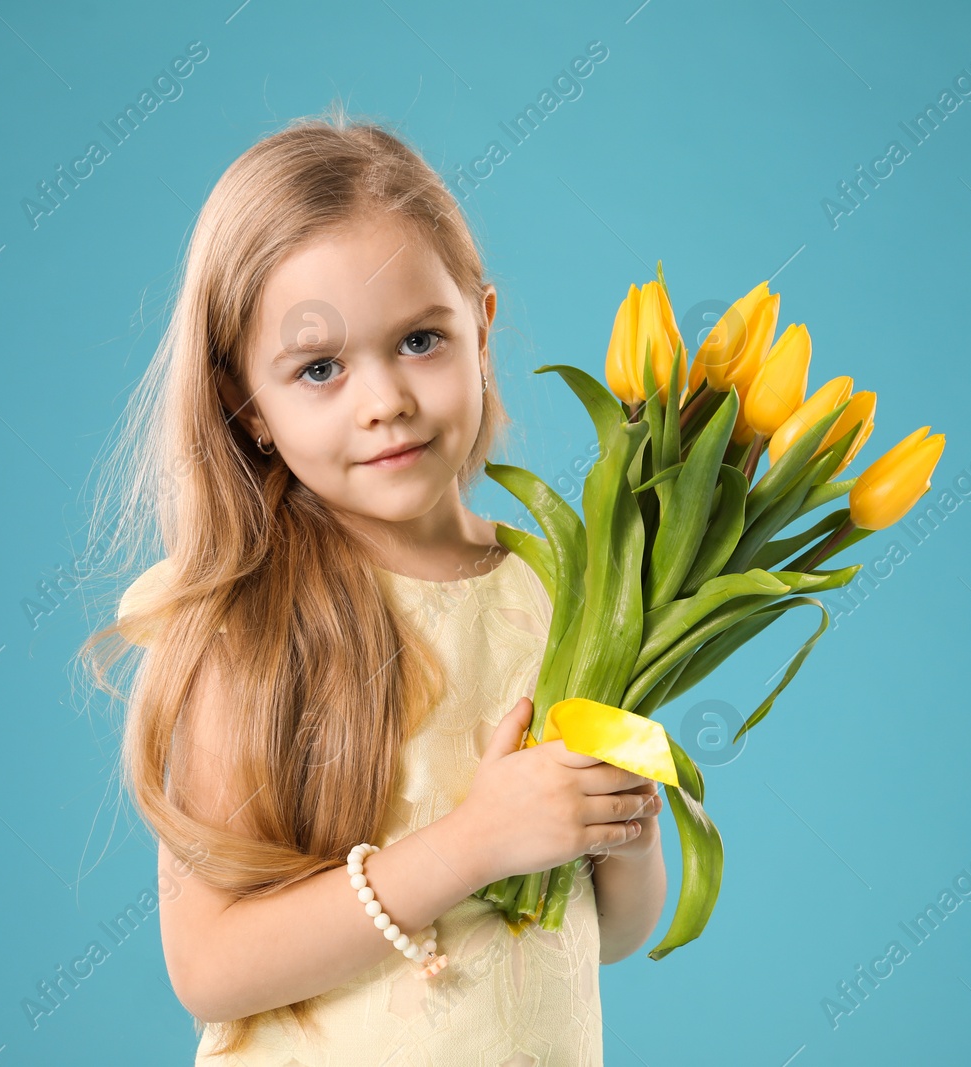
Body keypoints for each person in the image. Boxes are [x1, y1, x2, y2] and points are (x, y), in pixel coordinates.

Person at [80, 101, 666, 1065]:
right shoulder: (250, 625)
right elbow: (209, 965)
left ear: (481, 326)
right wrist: (476, 844)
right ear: (246, 402)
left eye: (420, 341)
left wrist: (619, 829)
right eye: (318, 368)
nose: (385, 400)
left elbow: (613, 930)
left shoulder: (570, 589)